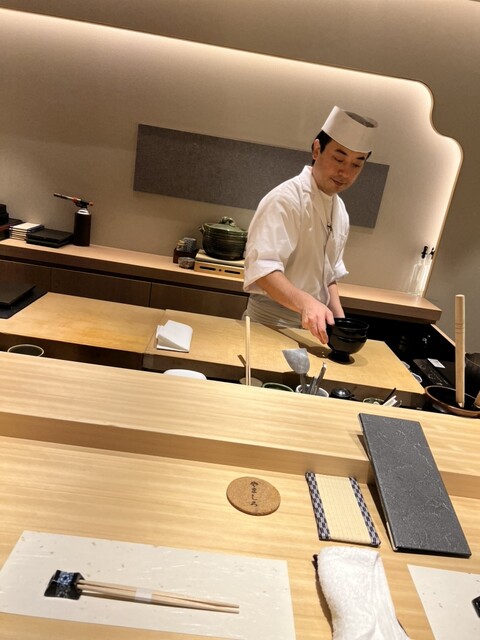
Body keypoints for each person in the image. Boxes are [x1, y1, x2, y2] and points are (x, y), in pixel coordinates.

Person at [243, 106, 378, 344]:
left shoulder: (340, 210)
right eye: (339, 158)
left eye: (356, 164)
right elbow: (263, 270)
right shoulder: (285, 199)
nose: (345, 172)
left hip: (313, 330)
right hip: (269, 325)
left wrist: (340, 323)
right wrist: (306, 302)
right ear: (317, 150)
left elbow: (329, 276)